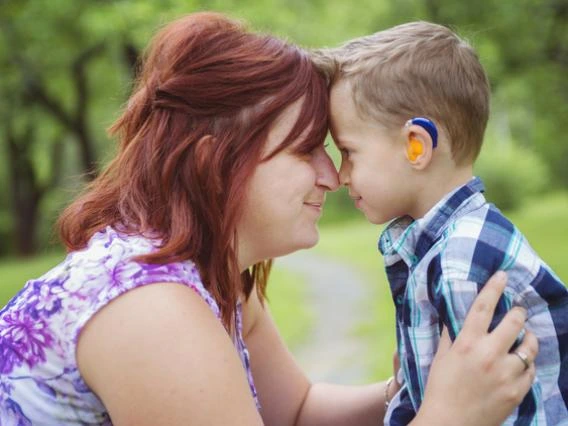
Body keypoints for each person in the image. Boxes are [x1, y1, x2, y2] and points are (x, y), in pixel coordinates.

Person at [0, 13, 537, 426]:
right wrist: (448, 416)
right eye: (306, 150)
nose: (332, 175)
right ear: (217, 164)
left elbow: (297, 411)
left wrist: (417, 391)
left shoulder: (213, 273)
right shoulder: (150, 310)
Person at [316, 20, 567, 425]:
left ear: (417, 145)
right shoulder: (445, 246)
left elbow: (498, 406)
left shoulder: (461, 260)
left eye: (348, 151)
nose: (341, 175)